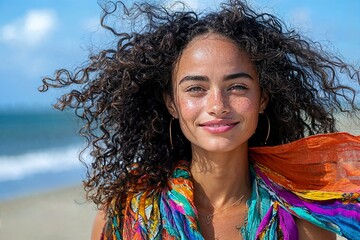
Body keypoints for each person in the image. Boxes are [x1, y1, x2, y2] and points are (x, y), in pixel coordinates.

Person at [40, 0, 360, 239]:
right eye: (196, 88)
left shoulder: (301, 223)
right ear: (172, 104)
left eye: (237, 87)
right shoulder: (126, 212)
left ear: (262, 98)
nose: (217, 105)